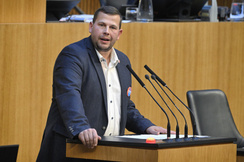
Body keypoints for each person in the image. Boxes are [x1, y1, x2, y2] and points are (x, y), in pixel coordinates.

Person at [36, 6, 172, 162]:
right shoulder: (73, 55)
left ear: (119, 34)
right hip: (72, 151)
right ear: (90, 26)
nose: (106, 31)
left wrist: (147, 127)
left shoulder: (122, 62)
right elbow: (69, 96)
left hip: (109, 153)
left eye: (112, 27)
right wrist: (81, 128)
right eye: (101, 25)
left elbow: (124, 106)